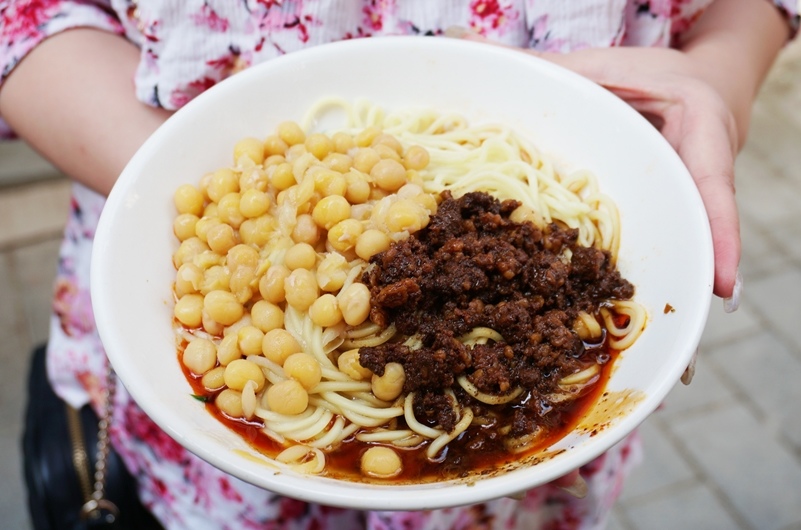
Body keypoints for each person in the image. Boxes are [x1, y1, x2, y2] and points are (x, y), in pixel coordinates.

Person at [0, 1, 797, 528]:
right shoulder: (256, 277)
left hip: (536, 493)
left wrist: (716, 77)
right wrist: (185, 176)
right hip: (196, 465)